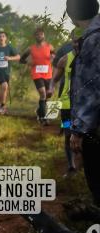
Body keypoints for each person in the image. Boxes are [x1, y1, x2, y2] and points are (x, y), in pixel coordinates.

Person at [67, 0, 100, 207]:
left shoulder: (94, 40)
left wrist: (78, 130)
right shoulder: (90, 38)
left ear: (72, 16)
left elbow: (92, 89)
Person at [52, 40, 78, 175]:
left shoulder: (93, 56)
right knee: (68, 133)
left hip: (86, 105)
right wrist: (51, 87)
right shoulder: (65, 58)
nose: (77, 44)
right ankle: (71, 166)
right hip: (66, 104)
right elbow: (55, 78)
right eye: (75, 41)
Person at [20, 28, 55, 123]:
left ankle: (40, 111)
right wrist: (28, 62)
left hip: (48, 74)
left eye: (41, 34)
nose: (39, 36)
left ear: (44, 35)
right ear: (35, 36)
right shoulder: (30, 48)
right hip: (36, 73)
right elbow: (21, 59)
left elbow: (54, 56)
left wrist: (53, 57)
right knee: (43, 93)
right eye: (37, 35)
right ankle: (43, 118)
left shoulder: (49, 46)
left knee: (48, 95)